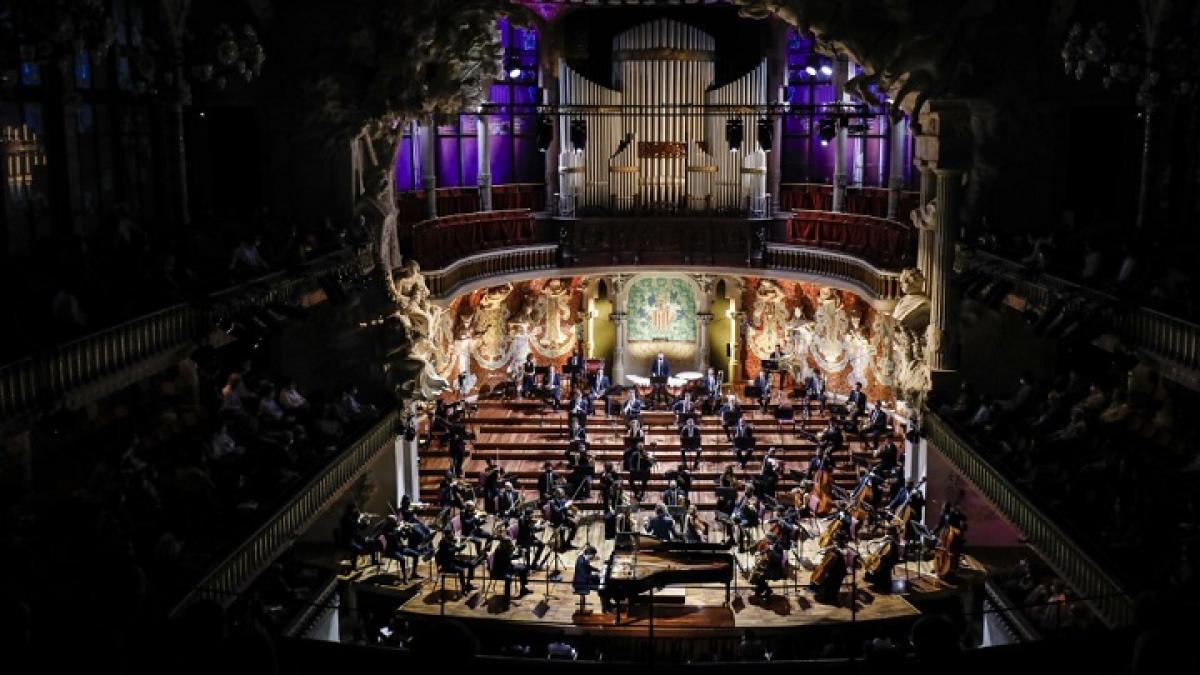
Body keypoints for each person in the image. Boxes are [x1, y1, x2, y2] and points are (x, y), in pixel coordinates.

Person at [489, 531, 531, 603]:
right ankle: (506, 597)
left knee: (523, 568)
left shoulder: (505, 547)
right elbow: (509, 558)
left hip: (507, 567)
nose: (511, 545)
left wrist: (519, 550)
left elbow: (511, 553)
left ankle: (523, 589)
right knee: (508, 578)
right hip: (500, 570)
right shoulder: (499, 550)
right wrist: (519, 554)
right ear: (504, 543)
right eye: (509, 543)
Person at [572, 545, 613, 612]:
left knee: (603, 584)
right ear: (589, 554)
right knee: (602, 588)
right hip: (582, 583)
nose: (593, 557)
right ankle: (605, 608)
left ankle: (606, 604)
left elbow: (588, 567)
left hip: (585, 580)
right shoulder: (581, 562)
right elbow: (585, 576)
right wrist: (597, 575)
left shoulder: (582, 557)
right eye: (593, 555)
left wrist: (597, 570)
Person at [435, 528, 477, 592]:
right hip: (446, 565)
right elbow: (449, 551)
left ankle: (468, 584)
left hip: (453, 560)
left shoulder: (450, 540)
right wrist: (456, 547)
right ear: (447, 535)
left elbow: (458, 549)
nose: (453, 535)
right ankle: (463, 588)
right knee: (461, 570)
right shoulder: (442, 543)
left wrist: (464, 544)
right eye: (451, 533)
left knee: (471, 564)